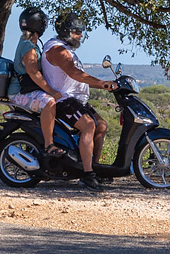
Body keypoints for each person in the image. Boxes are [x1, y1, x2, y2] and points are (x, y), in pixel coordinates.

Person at [41, 11, 116, 191]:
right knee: (89, 125)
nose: (81, 35)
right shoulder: (57, 50)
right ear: (66, 31)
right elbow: (75, 74)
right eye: (77, 31)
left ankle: (93, 167)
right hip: (64, 100)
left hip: (76, 100)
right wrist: (102, 84)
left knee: (102, 126)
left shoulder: (65, 49)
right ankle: (87, 175)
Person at [6, 6, 63, 162]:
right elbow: (33, 73)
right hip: (19, 93)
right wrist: (51, 91)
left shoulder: (27, 42)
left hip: (26, 91)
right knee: (49, 102)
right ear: (40, 26)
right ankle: (49, 145)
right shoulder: (29, 47)